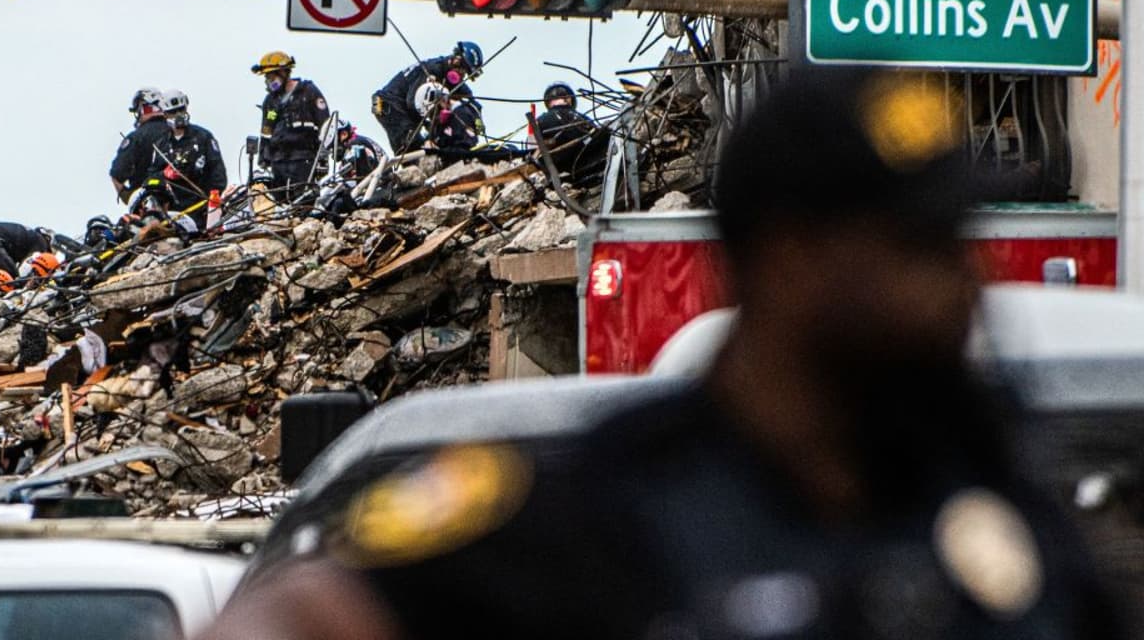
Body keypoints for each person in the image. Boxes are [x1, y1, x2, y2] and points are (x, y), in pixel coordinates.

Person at [199, 70, 1127, 640]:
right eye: (916, 249)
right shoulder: (599, 510)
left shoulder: (1002, 513)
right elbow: (308, 611)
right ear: (789, 260)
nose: (961, 287)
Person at [372, 41, 484, 155]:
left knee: (420, 142)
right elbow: (413, 102)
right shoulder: (433, 69)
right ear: (456, 59)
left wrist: (476, 119)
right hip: (383, 102)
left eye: (465, 73)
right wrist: (431, 127)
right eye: (462, 69)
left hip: (401, 106)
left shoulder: (451, 78)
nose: (462, 75)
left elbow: (470, 101)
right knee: (410, 142)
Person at [251, 51, 330, 203]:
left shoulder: (308, 92)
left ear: (283, 72)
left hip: (304, 159)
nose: (268, 81)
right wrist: (263, 157)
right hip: (278, 162)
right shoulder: (271, 101)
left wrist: (323, 157)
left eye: (271, 77)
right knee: (280, 204)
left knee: (304, 202)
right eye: (267, 78)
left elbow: (325, 125)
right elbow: (266, 130)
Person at [146, 89, 227, 226]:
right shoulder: (161, 145)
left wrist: (210, 204)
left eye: (181, 110)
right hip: (173, 214)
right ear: (165, 114)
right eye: (173, 112)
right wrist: (165, 174)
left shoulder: (203, 137)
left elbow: (219, 176)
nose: (178, 115)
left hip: (202, 209)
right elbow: (150, 179)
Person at [534, 81, 607, 181]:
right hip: (589, 163)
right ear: (569, 99)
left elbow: (538, 147)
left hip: (560, 168)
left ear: (548, 102)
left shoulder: (541, 120)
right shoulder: (582, 118)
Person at [110, 87, 171, 203]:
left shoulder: (135, 138)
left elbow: (117, 174)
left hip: (149, 205)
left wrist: (130, 198)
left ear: (141, 109)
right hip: (190, 205)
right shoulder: (184, 133)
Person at [430, 82, 485, 155]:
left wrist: (440, 151)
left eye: (438, 107)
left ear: (443, 100)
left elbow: (463, 145)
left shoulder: (460, 113)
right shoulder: (464, 109)